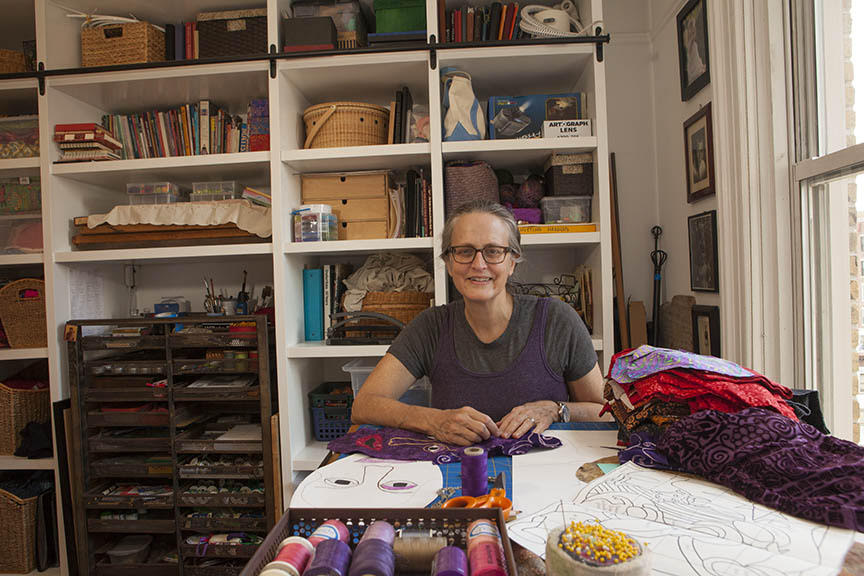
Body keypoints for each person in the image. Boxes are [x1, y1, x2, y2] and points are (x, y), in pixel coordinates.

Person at [351, 200, 608, 446]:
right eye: (464, 252)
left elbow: (606, 412)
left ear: (512, 262)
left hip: (546, 467)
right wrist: (435, 420)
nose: (479, 264)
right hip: (458, 469)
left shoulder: (557, 320)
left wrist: (555, 410)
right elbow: (364, 405)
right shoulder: (431, 327)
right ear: (449, 263)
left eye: (493, 251)